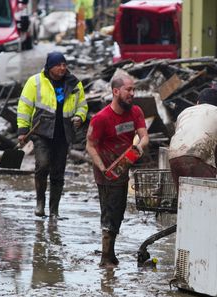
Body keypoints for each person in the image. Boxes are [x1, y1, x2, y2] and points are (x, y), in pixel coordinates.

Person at [86, 73, 149, 268]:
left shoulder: (135, 111)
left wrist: (139, 146)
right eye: (128, 89)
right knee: (110, 211)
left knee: (119, 210)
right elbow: (90, 145)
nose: (132, 93)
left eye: (133, 89)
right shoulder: (101, 118)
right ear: (116, 91)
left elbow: (144, 136)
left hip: (122, 168)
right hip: (106, 171)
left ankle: (111, 254)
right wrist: (103, 167)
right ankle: (106, 258)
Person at [17, 51, 88, 218]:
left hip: (63, 133)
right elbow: (24, 106)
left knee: (58, 172)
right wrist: (22, 130)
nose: (62, 68)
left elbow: (82, 105)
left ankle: (54, 210)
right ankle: (40, 202)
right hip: (41, 132)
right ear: (49, 67)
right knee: (42, 165)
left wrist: (79, 116)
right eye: (58, 65)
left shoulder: (74, 84)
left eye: (64, 65)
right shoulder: (34, 82)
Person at [168, 88, 217, 192]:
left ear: (197, 103)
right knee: (205, 197)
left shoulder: (185, 112)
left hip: (174, 156)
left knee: (183, 197)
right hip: (198, 156)